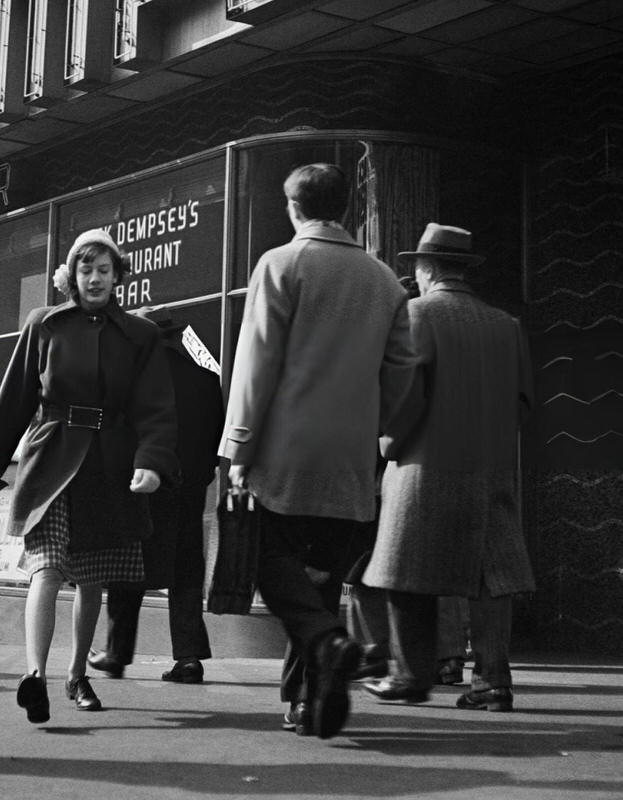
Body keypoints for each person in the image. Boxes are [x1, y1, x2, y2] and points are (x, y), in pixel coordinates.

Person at [219, 163, 417, 740]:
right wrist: (382, 433)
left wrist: (238, 446)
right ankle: (306, 700)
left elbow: (257, 362)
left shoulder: (281, 264)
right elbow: (403, 371)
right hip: (352, 454)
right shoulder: (383, 280)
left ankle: (330, 644)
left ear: (293, 207)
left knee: (268, 563)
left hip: (283, 448)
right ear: (347, 208)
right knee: (323, 575)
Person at [0, 229, 178, 724]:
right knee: (46, 566)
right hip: (51, 461)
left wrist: (152, 461)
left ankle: (77, 673)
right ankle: (35, 675)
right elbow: (13, 401)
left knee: (91, 580)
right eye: (87, 269)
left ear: (119, 276)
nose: (96, 278)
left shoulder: (140, 335)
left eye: (105, 269)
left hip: (109, 466)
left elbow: (157, 408)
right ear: (72, 276)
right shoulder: (44, 325)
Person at [357, 223, 535, 712]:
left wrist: (388, 446)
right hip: (492, 467)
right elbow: (523, 403)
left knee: (400, 570)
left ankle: (408, 673)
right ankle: (494, 682)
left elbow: (403, 396)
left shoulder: (415, 314)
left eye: (416, 267)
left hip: (424, 464)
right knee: (491, 578)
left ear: (427, 269)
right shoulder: (506, 324)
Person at [88, 305, 224, 684]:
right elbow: (215, 429)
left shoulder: (134, 372)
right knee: (186, 568)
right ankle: (189, 657)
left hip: (144, 479)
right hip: (190, 483)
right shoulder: (203, 373)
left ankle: (116, 652)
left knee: (128, 562)